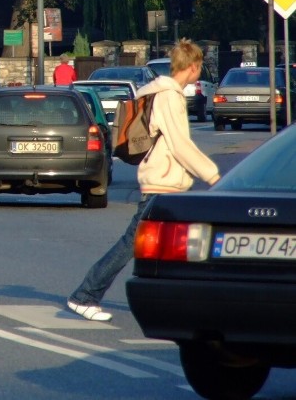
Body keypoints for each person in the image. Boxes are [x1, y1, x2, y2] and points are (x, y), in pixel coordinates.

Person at [66, 38, 220, 322]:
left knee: (178, 247)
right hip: (162, 184)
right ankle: (85, 295)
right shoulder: (169, 96)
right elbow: (179, 145)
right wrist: (215, 176)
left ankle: (178, 303)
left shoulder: (158, 92)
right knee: (133, 244)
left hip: (165, 182)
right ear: (194, 67)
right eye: (200, 67)